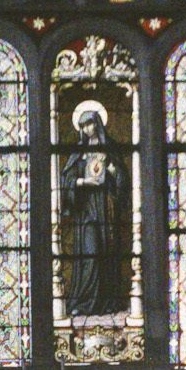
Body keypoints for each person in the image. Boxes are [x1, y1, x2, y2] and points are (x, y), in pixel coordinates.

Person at [59, 101, 130, 316]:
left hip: (106, 207)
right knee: (90, 254)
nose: (87, 129)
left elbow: (122, 179)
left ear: (97, 123)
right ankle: (85, 302)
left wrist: (110, 167)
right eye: (83, 126)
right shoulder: (79, 151)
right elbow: (67, 180)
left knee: (106, 253)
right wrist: (82, 183)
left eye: (90, 124)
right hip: (86, 209)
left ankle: (106, 302)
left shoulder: (110, 147)